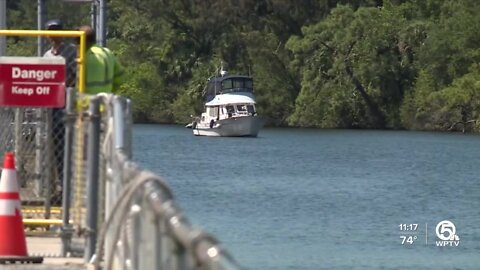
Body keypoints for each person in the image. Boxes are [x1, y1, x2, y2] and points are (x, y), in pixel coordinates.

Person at [43, 19, 77, 200]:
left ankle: (68, 189)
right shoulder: (47, 54)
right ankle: (59, 189)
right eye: (50, 31)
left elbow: (74, 77)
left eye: (56, 30)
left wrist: (60, 88)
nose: (53, 34)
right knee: (55, 149)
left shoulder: (70, 51)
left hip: (65, 105)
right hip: (52, 107)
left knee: (67, 147)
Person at [77, 25, 125, 95]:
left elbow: (76, 81)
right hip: (105, 100)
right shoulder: (107, 52)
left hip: (87, 101)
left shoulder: (84, 57)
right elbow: (121, 76)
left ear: (83, 40)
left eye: (77, 40)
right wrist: (111, 90)